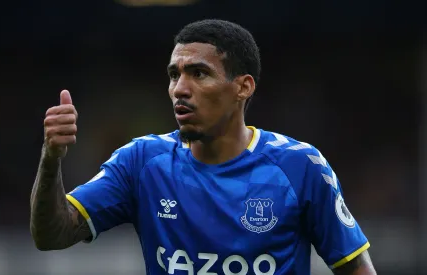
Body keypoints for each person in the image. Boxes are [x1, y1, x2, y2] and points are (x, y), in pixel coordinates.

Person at [30, 19, 376, 275]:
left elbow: (355, 268)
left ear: (243, 87)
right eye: (173, 74)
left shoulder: (300, 167)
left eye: (198, 73)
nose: (180, 88)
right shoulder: (141, 162)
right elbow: (52, 234)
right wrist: (50, 160)